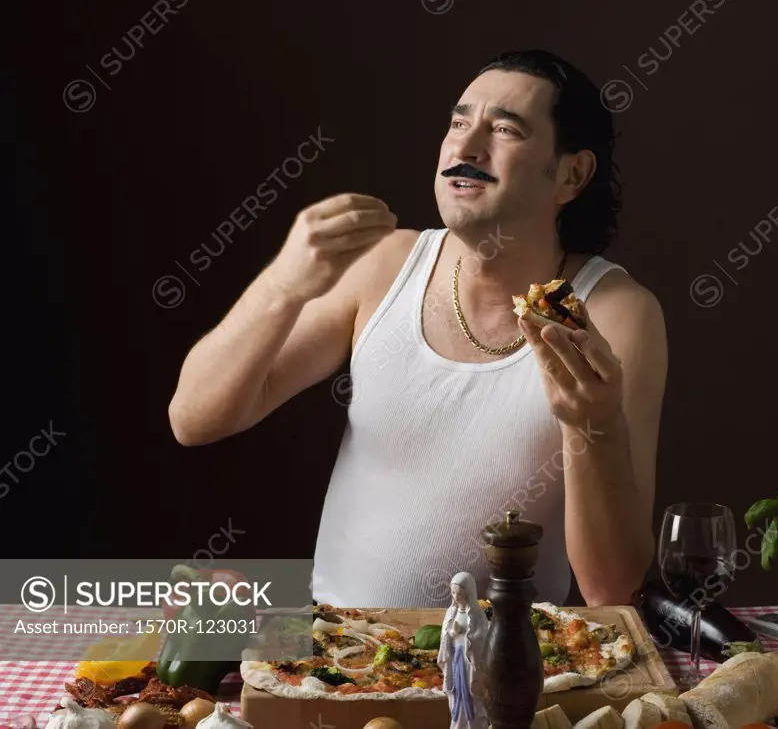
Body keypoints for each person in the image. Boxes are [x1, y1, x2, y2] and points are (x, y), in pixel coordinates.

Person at [167, 49, 668, 608]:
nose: (466, 147)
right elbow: (194, 418)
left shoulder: (615, 312)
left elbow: (611, 589)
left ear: (572, 175)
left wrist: (590, 424)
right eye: (458, 123)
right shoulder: (384, 263)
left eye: (504, 129)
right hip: (335, 656)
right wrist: (281, 286)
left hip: (506, 670)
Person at [437, 572, 490, 729]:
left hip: (470, 660)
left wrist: (469, 637)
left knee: (471, 693)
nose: (456, 596)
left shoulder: (477, 613)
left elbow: (482, 635)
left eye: (460, 593)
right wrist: (452, 633)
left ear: (469, 592)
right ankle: (458, 724)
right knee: (456, 693)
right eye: (453, 593)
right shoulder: (450, 612)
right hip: (455, 658)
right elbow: (445, 634)